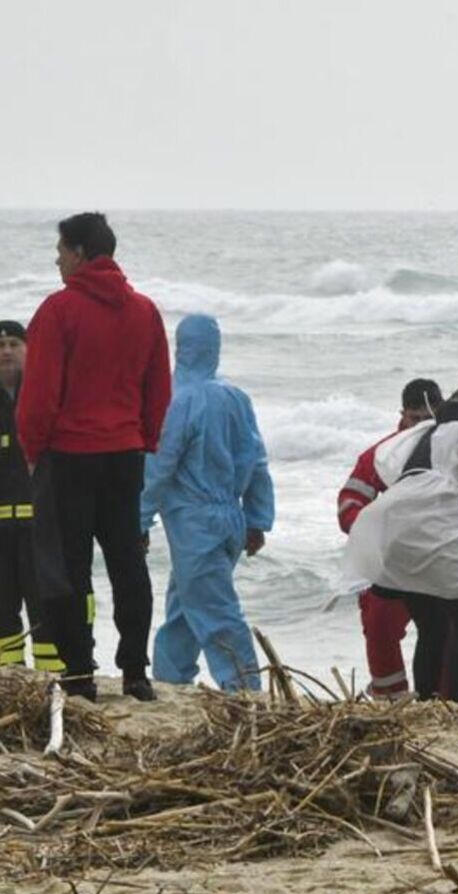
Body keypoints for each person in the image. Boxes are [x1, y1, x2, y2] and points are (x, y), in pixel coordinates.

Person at [20, 213, 171, 701]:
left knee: (69, 568)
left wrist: (31, 448)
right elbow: (158, 388)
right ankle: (135, 671)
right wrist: (144, 438)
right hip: (124, 453)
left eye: (61, 249)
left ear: (81, 253)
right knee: (128, 560)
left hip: (68, 455)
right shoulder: (145, 311)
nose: (57, 258)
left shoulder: (59, 310)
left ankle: (79, 671)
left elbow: (40, 394)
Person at [359, 366, 458, 702]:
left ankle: (428, 702)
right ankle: (454, 705)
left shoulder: (433, 429)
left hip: (394, 532)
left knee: (433, 625)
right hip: (436, 535)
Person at [139, 315, 275, 692]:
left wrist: (139, 518)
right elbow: (258, 461)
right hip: (230, 516)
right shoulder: (235, 397)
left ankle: (245, 691)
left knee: (215, 612)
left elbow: (159, 466)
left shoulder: (176, 399)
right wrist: (257, 519)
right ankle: (170, 680)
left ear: (179, 347)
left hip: (193, 521)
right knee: (185, 606)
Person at [338, 378, 443, 700]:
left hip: (440, 554)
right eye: (415, 419)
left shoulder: (454, 448)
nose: (422, 426)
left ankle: (442, 696)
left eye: (429, 418)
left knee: (447, 628)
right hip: (392, 557)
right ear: (402, 415)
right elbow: (349, 503)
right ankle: (390, 695)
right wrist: (375, 531)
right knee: (379, 620)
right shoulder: (382, 454)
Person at [0, 321, 55, 673]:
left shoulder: (45, 398)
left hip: (42, 526)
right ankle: (10, 678)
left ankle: (56, 677)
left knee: (47, 605)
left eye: (14, 344)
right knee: (2, 610)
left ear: (29, 350)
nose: (5, 351)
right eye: (0, 345)